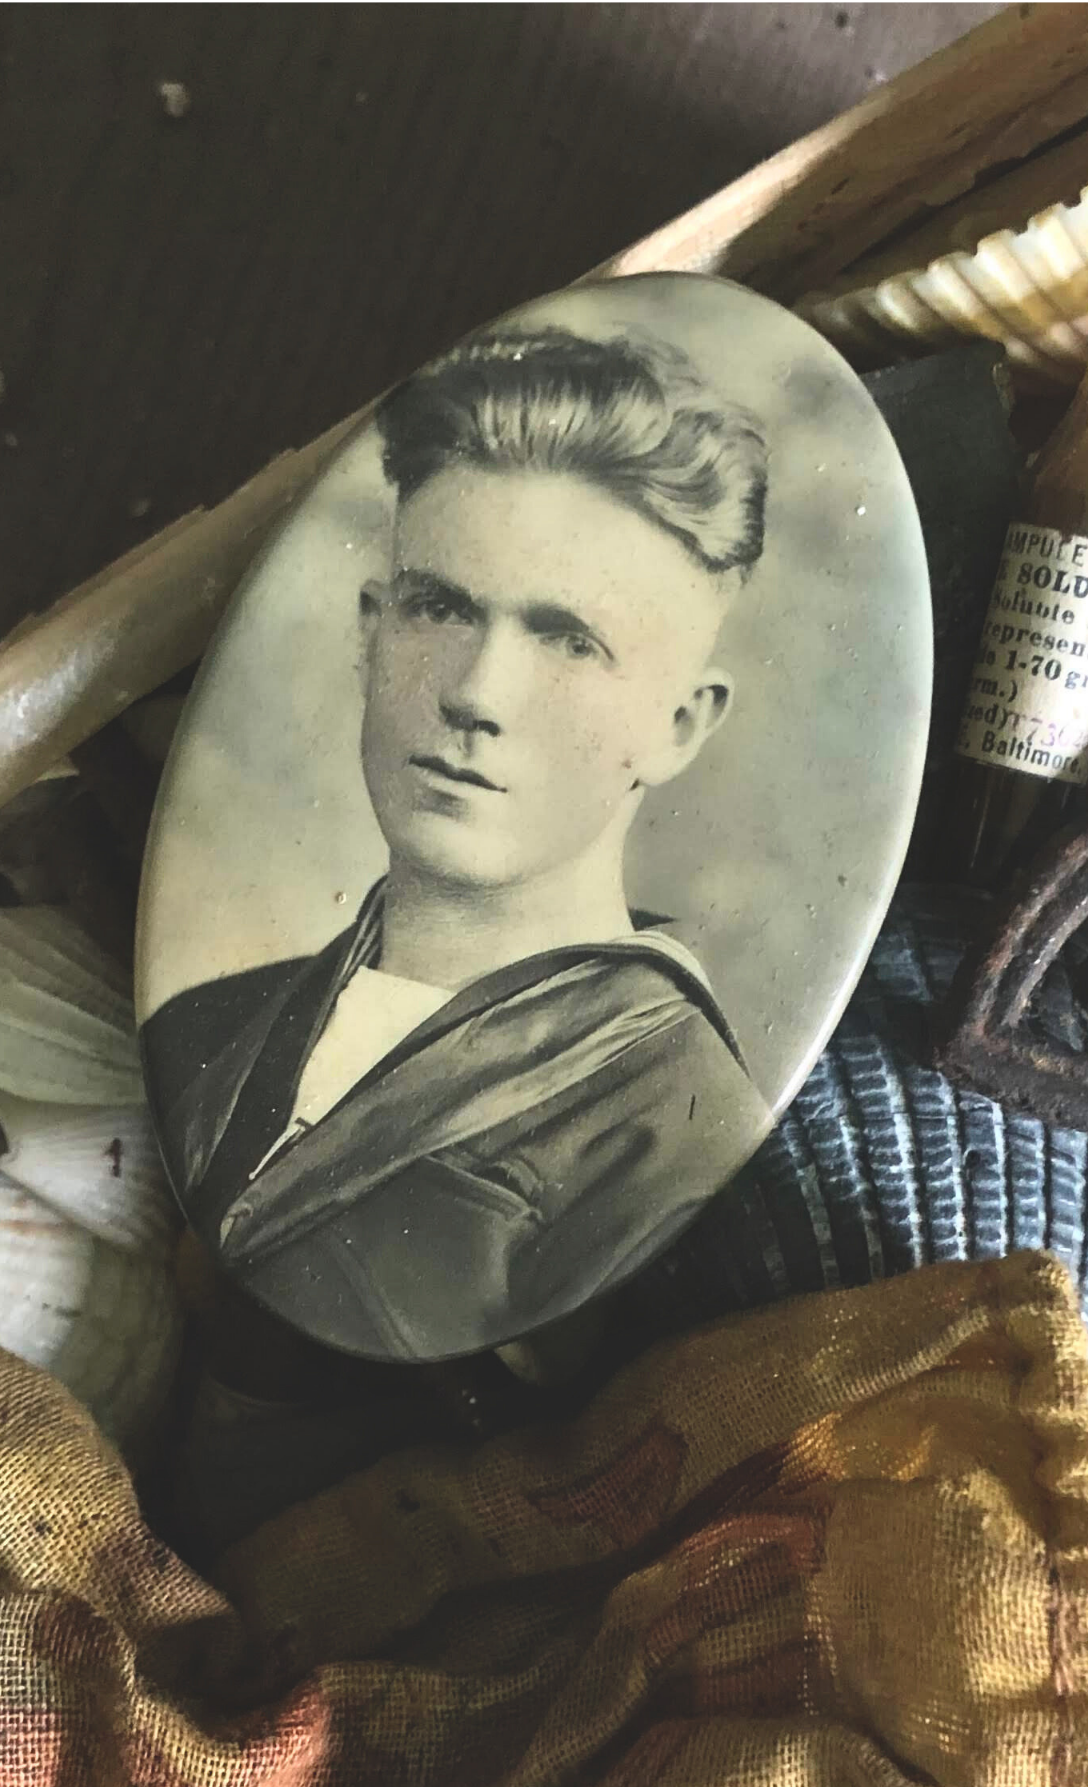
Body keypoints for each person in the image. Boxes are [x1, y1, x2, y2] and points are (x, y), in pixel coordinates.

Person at [142, 321, 779, 1364]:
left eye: (569, 640)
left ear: (679, 725)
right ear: (369, 631)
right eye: (439, 609)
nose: (477, 693)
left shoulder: (676, 1143)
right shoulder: (211, 1024)